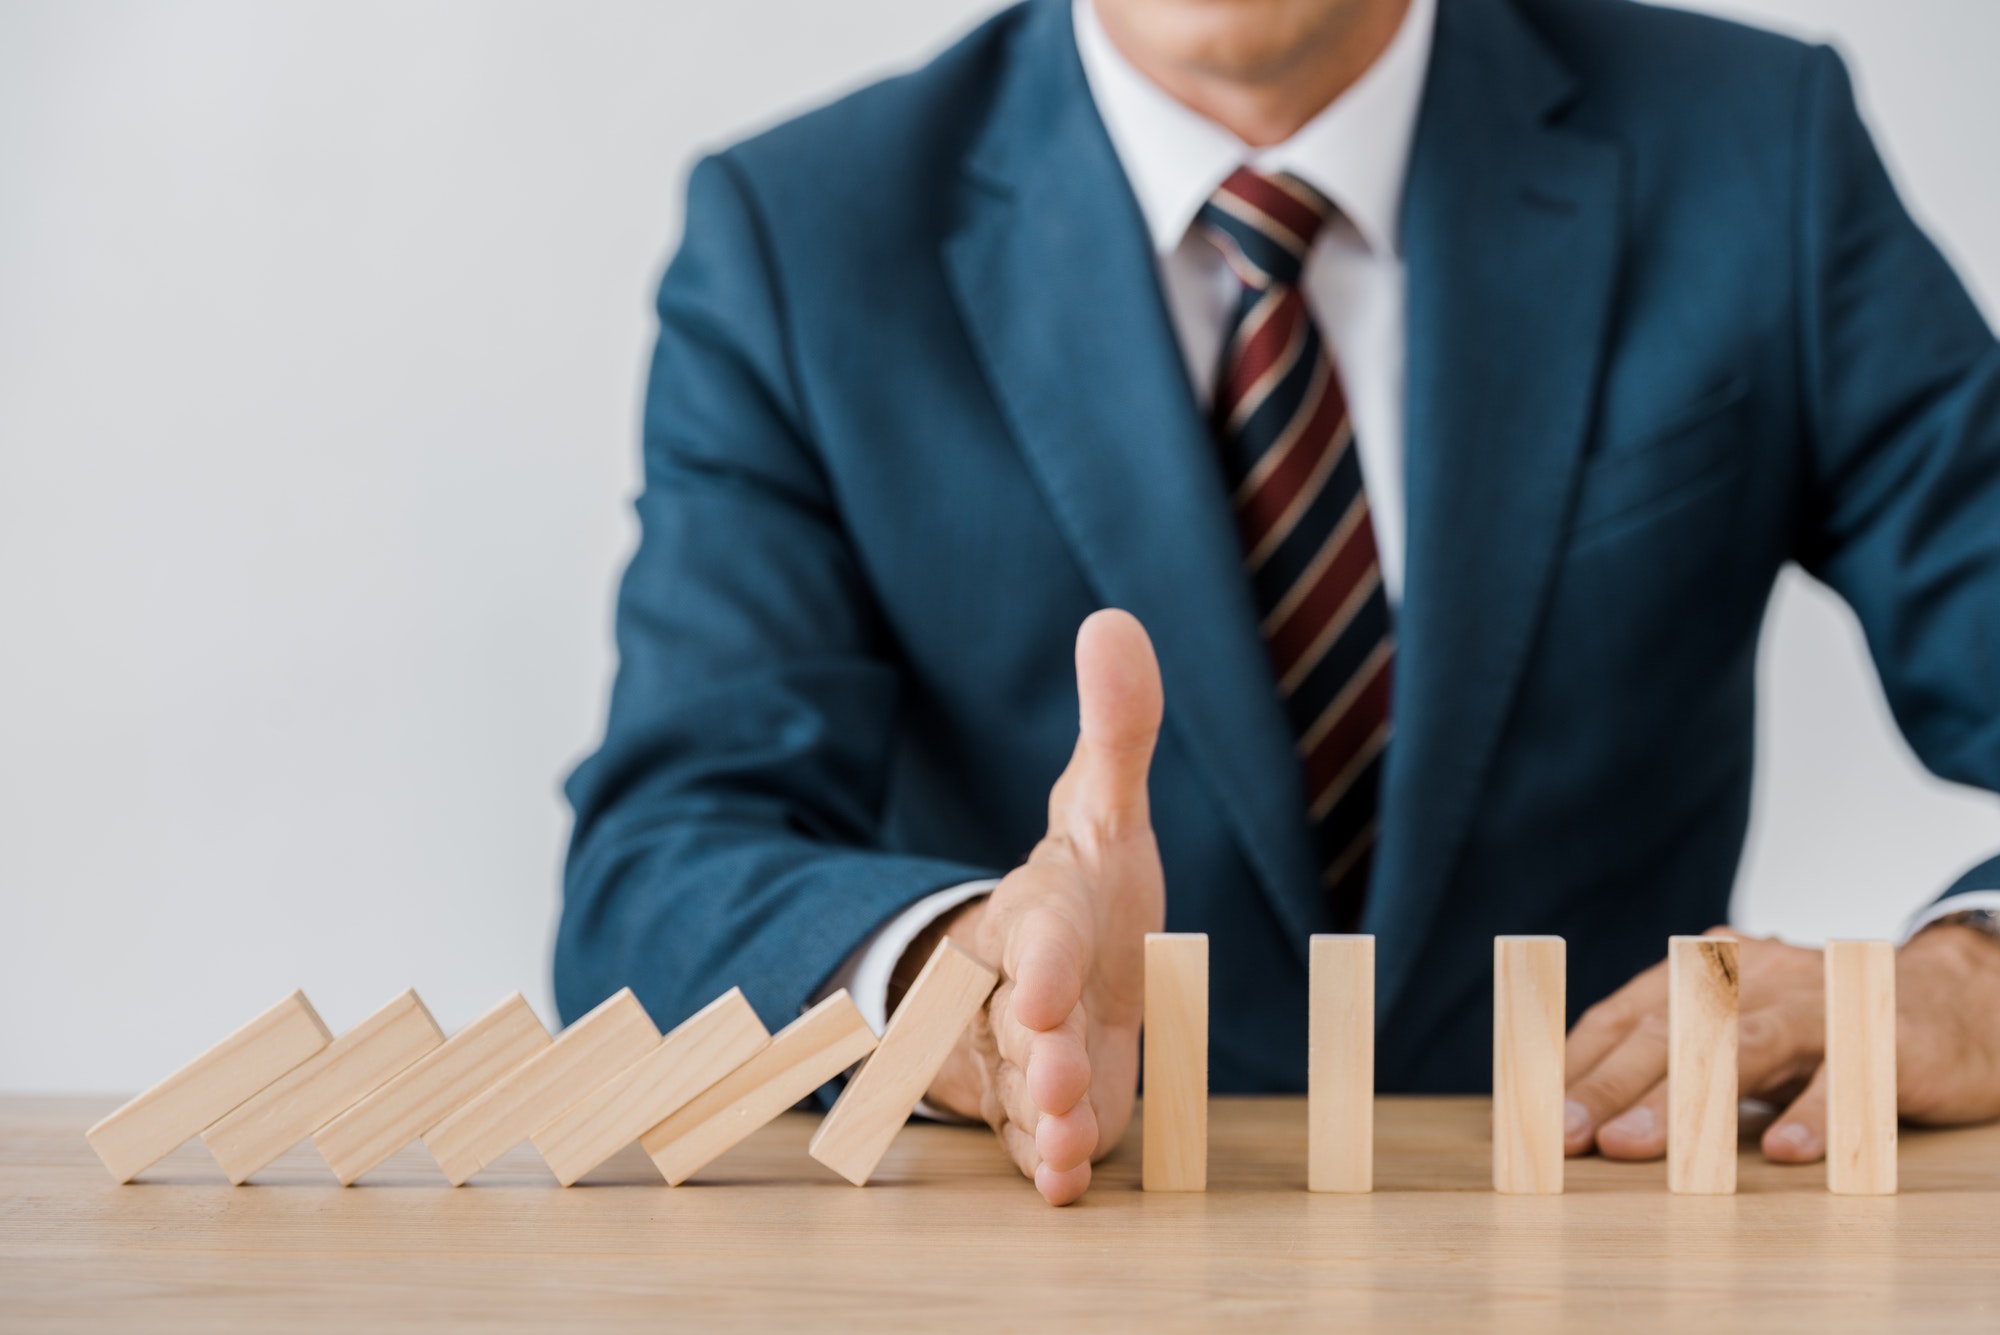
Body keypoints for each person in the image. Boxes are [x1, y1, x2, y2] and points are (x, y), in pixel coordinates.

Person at [556, 0, 2000, 1205]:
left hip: (1615, 1228)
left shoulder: (1759, 151)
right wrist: (963, 981)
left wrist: (1974, 979)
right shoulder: (801, 241)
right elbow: (656, 874)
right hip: (1062, 1257)